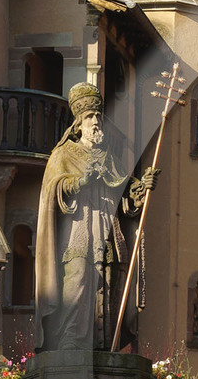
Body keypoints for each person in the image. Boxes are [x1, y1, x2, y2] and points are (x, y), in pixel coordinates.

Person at [33, 83, 155, 349]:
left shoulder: (109, 158)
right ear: (78, 122)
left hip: (109, 233)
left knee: (109, 285)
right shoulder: (63, 154)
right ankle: (70, 345)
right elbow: (53, 189)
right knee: (77, 282)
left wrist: (140, 188)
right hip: (77, 232)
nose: (96, 122)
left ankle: (103, 348)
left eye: (98, 116)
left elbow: (126, 196)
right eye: (90, 117)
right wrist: (79, 181)